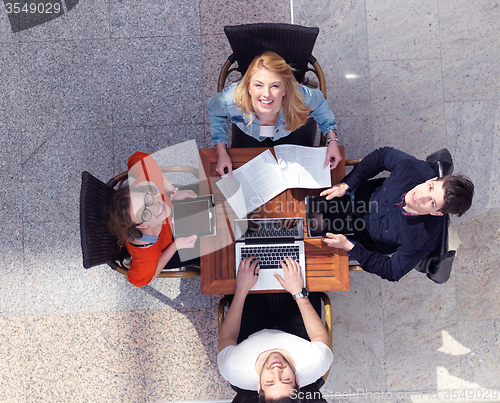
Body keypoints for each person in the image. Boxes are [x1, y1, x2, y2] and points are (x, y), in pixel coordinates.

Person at [320, 147, 474, 282]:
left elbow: (391, 271)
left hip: (356, 239)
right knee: (302, 204)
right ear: (432, 179)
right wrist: (348, 184)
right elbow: (382, 155)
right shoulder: (413, 169)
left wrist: (348, 246)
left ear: (437, 213)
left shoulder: (422, 240)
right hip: (351, 196)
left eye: (432, 202)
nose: (420, 196)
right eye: (430, 188)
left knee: (306, 246)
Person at [208, 51, 342, 177]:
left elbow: (319, 102)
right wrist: (221, 152)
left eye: (275, 86)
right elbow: (215, 109)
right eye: (258, 85)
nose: (266, 94)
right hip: (251, 135)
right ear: (248, 87)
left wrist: (332, 140)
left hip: (289, 132)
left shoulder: (300, 96)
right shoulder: (233, 99)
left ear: (285, 89)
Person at [218, 256, 333, 401]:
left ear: (259, 385)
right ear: (297, 381)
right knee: (305, 271)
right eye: (286, 380)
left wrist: (241, 289)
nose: (276, 370)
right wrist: (298, 292)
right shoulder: (317, 362)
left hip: (253, 334)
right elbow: (319, 337)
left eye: (270, 382)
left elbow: (227, 338)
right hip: (296, 336)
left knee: (241, 269)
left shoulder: (232, 368)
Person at [108, 151, 199, 287]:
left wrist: (172, 192)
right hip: (167, 246)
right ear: (140, 226)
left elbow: (137, 158)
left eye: (148, 198)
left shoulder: (148, 185)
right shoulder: (147, 253)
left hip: (175, 217)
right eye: (145, 214)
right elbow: (140, 280)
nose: (156, 207)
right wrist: (176, 246)